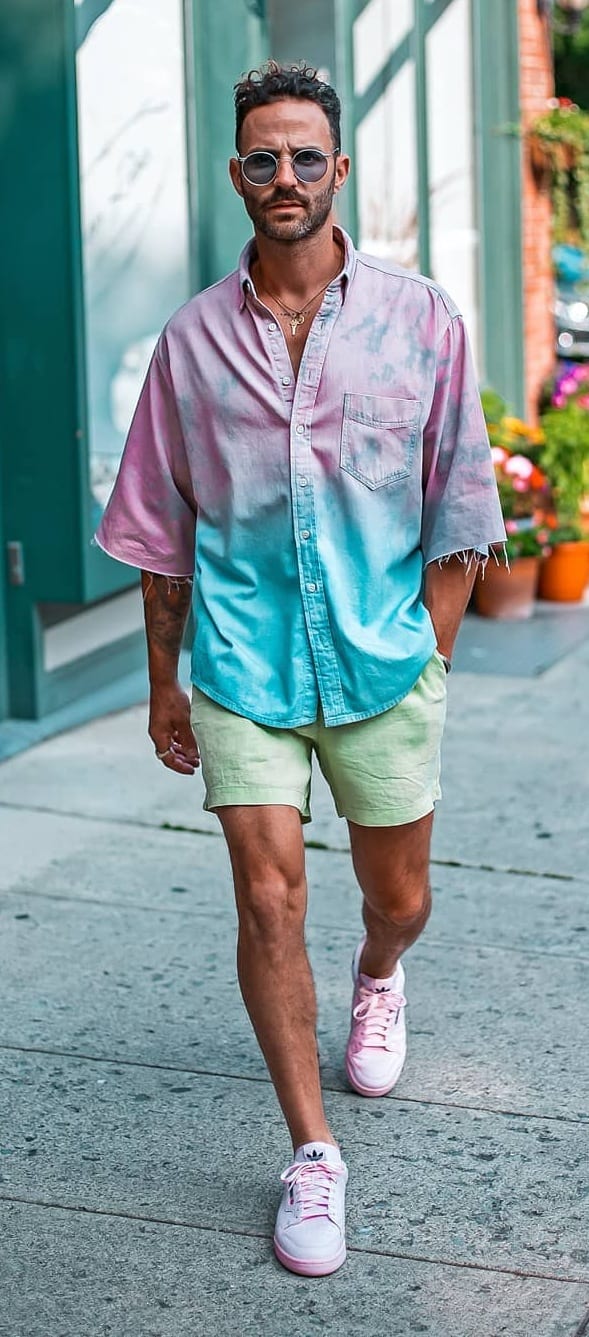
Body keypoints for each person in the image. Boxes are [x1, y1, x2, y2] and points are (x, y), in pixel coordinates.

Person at [96, 60, 505, 1278]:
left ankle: (380, 977)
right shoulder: (188, 344)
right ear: (238, 177)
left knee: (401, 900)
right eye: (263, 159)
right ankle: (312, 1152)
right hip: (238, 662)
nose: (285, 176)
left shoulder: (421, 318)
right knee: (268, 897)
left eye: (305, 157)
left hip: (383, 666)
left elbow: (463, 505)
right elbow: (163, 535)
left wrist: (427, 654)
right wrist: (164, 681)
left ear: (338, 170)